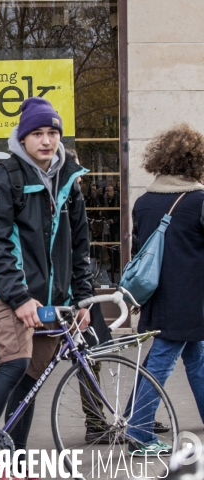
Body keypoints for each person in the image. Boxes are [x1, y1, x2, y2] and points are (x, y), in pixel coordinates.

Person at [0, 97, 92, 473]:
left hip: (53, 297)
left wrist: (83, 297)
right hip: (8, 293)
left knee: (31, 378)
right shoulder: (2, 177)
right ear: (22, 138)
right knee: (16, 363)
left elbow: (79, 244)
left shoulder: (68, 179)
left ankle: (13, 458)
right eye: (37, 133)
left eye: (52, 132)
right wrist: (19, 298)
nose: (46, 140)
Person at [126, 123, 204, 456]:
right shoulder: (199, 200)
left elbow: (138, 251)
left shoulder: (144, 202)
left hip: (158, 297)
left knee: (196, 359)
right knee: (161, 362)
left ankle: (136, 424)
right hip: (191, 299)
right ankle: (138, 431)